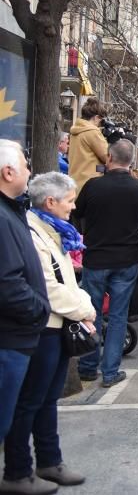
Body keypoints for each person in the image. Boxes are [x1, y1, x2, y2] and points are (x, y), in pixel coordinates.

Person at [2, 173, 96, 494]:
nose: (74, 206)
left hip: (58, 325)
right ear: (51, 202)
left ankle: (49, 461)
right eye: (69, 200)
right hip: (43, 329)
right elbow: (48, 288)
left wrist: (82, 305)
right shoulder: (31, 231)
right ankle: (18, 471)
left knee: (47, 400)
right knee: (30, 402)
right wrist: (85, 310)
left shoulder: (52, 230)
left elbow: (65, 281)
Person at [74, 139, 138, 388]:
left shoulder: (93, 186)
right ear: (132, 161)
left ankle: (87, 366)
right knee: (118, 316)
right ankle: (110, 371)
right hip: (126, 259)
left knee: (90, 312)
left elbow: (78, 212)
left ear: (108, 157)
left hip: (96, 257)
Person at [0, 141, 50, 451]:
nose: (30, 172)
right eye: (25, 166)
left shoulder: (12, 211)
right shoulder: (3, 217)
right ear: (8, 172)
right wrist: (38, 310)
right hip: (10, 337)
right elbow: (6, 282)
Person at [67, 97, 109, 193]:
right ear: (96, 118)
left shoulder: (76, 131)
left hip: (76, 183)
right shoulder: (92, 132)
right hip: (90, 185)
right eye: (101, 120)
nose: (100, 125)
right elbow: (108, 157)